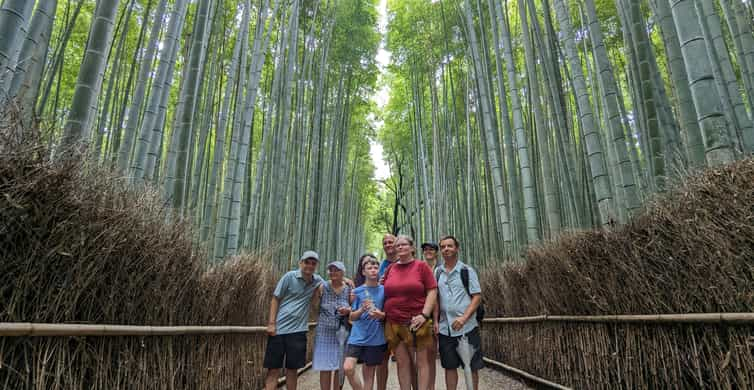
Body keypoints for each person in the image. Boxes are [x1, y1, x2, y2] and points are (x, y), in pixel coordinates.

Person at [383, 235, 438, 390]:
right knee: (402, 363)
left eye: (404, 245)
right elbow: (383, 290)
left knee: (422, 362)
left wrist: (424, 315)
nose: (400, 247)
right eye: (397, 245)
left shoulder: (421, 267)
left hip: (417, 321)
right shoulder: (391, 268)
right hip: (394, 322)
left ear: (412, 248)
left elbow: (432, 291)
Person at [264, 250, 325, 390]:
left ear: (316, 266)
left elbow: (331, 283)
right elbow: (275, 298)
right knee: (273, 370)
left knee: (292, 371)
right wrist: (272, 323)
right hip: (279, 330)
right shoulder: (289, 277)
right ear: (300, 263)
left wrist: (346, 280)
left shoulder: (317, 281)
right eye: (306, 262)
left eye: (313, 263)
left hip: (298, 332)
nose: (309, 266)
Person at [435, 236, 483, 390]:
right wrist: (436, 321)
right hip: (445, 328)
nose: (446, 249)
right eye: (443, 247)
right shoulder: (438, 272)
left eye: (450, 246)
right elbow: (435, 298)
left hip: (467, 327)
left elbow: (477, 296)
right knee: (449, 366)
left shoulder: (467, 271)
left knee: (471, 366)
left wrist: (463, 318)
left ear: (457, 248)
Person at [344, 257, 388, 390]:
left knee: (369, 375)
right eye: (369, 268)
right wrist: (362, 309)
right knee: (348, 368)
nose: (373, 270)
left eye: (376, 268)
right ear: (363, 272)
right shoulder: (357, 291)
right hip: (357, 337)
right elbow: (351, 317)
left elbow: (388, 315)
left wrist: (381, 315)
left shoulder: (385, 290)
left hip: (376, 338)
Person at [313, 261, 352, 390]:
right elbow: (315, 307)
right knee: (325, 366)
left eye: (337, 270)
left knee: (340, 365)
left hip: (342, 332)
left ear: (343, 273)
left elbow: (354, 308)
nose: (333, 273)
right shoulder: (322, 286)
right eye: (331, 270)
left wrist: (348, 310)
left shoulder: (349, 288)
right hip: (324, 331)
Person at [376, 233, 397, 390]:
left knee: (409, 358)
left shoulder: (408, 261)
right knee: (382, 358)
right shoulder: (380, 266)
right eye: (385, 242)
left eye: (391, 242)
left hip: (404, 317)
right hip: (384, 318)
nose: (388, 244)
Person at [420, 241, 440, 390]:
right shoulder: (418, 269)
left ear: (436, 252)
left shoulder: (441, 270)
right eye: (426, 249)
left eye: (431, 249)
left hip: (439, 316)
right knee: (421, 357)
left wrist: (436, 319)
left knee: (431, 355)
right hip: (421, 315)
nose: (428, 251)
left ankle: (431, 386)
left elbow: (436, 297)